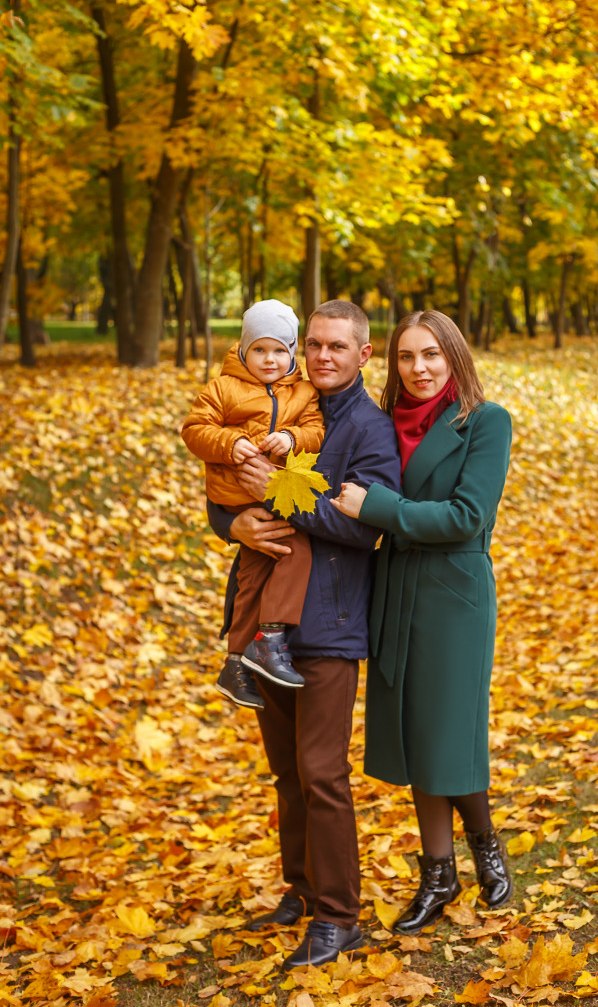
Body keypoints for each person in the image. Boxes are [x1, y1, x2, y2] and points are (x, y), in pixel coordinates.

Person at [207, 300, 401, 968]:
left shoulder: (370, 430)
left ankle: (340, 917)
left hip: (330, 624)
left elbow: (364, 525)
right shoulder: (277, 403)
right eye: (313, 344)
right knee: (286, 772)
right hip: (266, 621)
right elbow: (226, 491)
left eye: (336, 347)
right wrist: (229, 524)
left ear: (363, 355)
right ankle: (304, 889)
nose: (321, 356)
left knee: (322, 774)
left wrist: (281, 487)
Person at [331, 309, 513, 933]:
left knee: (447, 732)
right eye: (407, 357)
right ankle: (439, 875)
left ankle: (485, 842)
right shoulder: (382, 425)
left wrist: (379, 506)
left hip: (453, 593)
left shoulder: (485, 423)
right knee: (413, 735)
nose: (419, 368)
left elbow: (467, 516)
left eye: (432, 354)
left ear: (454, 358)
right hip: (394, 588)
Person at [182, 300, 325, 704]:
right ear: (244, 349)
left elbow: (315, 428)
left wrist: (293, 438)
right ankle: (271, 636)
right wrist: (231, 443)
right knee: (294, 549)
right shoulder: (223, 388)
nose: (270, 359)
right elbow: (195, 429)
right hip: (236, 496)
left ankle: (234, 661)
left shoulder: (303, 391)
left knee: (253, 575)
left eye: (280, 350)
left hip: (275, 495)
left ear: (293, 352)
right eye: (260, 349)